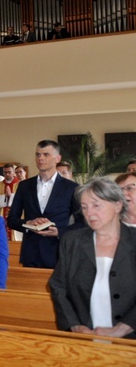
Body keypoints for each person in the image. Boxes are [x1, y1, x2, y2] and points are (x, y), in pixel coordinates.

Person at [49, 177, 136, 338]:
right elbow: (58, 285)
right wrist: (74, 325)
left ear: (117, 205)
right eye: (84, 207)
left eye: (97, 205)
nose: (90, 213)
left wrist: (122, 329)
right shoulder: (72, 240)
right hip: (85, 335)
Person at [8, 140, 82, 268]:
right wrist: (27, 224)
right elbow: (12, 219)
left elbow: (83, 223)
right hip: (31, 253)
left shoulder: (71, 188)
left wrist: (59, 231)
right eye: (38, 154)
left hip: (59, 253)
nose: (40, 158)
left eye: (46, 154)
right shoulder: (24, 186)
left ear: (57, 158)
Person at [0, 164, 20, 239]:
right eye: (5, 172)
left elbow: (23, 199)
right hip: (2, 214)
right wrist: (5, 196)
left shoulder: (20, 184)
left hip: (16, 214)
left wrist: (11, 196)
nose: (7, 174)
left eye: (9, 172)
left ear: (14, 172)